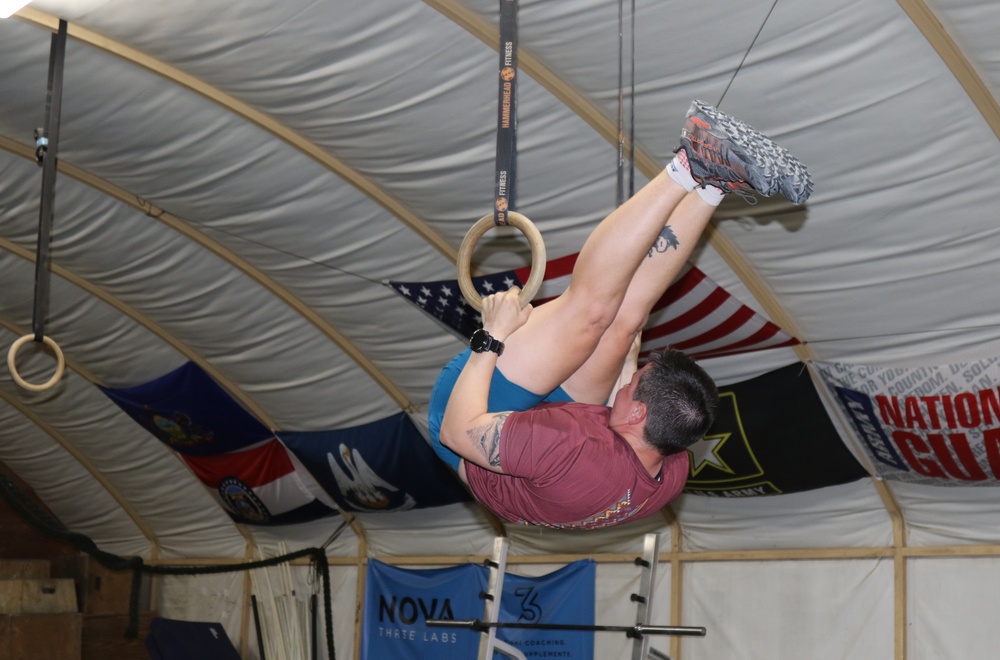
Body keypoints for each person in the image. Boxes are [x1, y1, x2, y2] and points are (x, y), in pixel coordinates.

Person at [428, 100, 812, 529]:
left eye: (634, 387)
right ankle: (712, 184)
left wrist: (491, 337)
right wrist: (626, 338)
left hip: (466, 419)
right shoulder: (669, 466)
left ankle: (689, 162)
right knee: (624, 323)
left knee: (591, 315)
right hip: (561, 438)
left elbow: (457, 433)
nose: (629, 381)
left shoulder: (572, 453)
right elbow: (623, 386)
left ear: (636, 416)